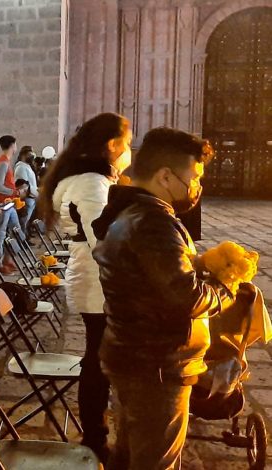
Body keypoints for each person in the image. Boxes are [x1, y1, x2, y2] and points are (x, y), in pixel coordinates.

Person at [92, 127, 235, 470]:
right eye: (194, 177)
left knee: (129, 456)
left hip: (135, 357)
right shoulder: (153, 222)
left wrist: (197, 264)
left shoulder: (132, 212)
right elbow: (187, 297)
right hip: (156, 367)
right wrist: (227, 286)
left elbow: (152, 279)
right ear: (166, 176)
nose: (197, 187)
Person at [38, 112, 132, 462]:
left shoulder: (89, 179)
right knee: (97, 361)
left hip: (91, 276)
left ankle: (97, 432)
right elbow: (103, 240)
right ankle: (95, 436)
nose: (129, 150)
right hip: (96, 280)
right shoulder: (91, 183)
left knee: (97, 358)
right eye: (127, 143)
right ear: (112, 144)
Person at [0, 134, 23, 269]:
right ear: (12, 145)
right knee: (0, 233)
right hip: (4, 204)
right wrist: (14, 192)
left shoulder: (5, 161)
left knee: (17, 232)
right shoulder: (3, 162)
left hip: (9, 203)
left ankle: (7, 259)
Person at [15, 145, 39, 235]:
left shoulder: (27, 166)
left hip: (31, 197)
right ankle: (21, 239)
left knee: (26, 222)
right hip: (27, 198)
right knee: (23, 223)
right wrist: (34, 192)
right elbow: (23, 185)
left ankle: (24, 238)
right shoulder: (21, 167)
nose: (32, 155)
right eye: (30, 153)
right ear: (23, 155)